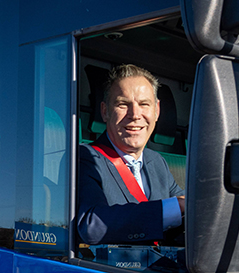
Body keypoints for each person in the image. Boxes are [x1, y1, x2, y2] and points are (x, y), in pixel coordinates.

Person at [77, 64, 184, 245]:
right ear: (105, 111)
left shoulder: (157, 162)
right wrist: (176, 207)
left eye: (144, 104)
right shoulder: (84, 157)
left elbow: (187, 211)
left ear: (156, 111)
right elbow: (91, 225)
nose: (135, 114)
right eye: (122, 104)